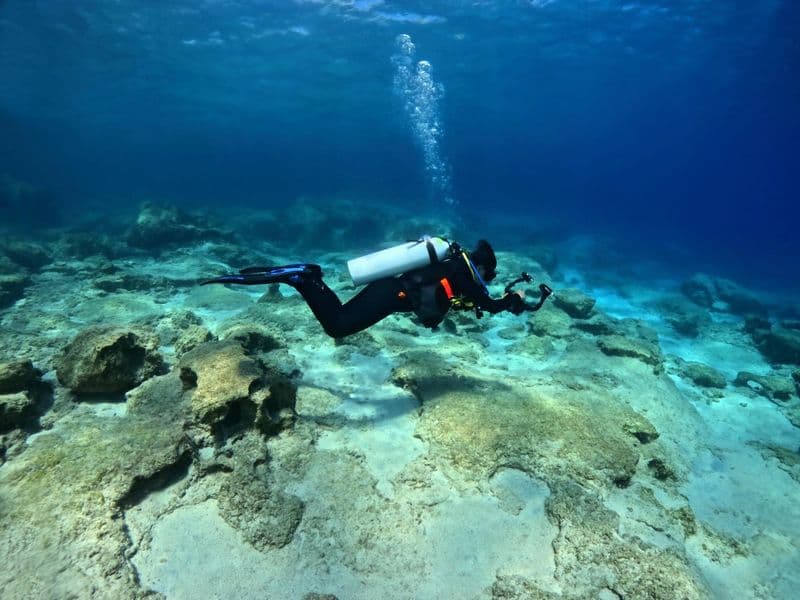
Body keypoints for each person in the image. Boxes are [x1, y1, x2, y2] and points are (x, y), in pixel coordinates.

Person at [202, 238, 552, 339]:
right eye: (489, 275)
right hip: (391, 295)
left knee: (339, 320)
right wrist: (514, 298)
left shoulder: (454, 262)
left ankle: (306, 278)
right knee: (338, 326)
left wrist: (505, 298)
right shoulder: (468, 273)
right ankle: (304, 278)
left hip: (390, 290)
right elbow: (488, 305)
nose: (487, 281)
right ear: (486, 267)